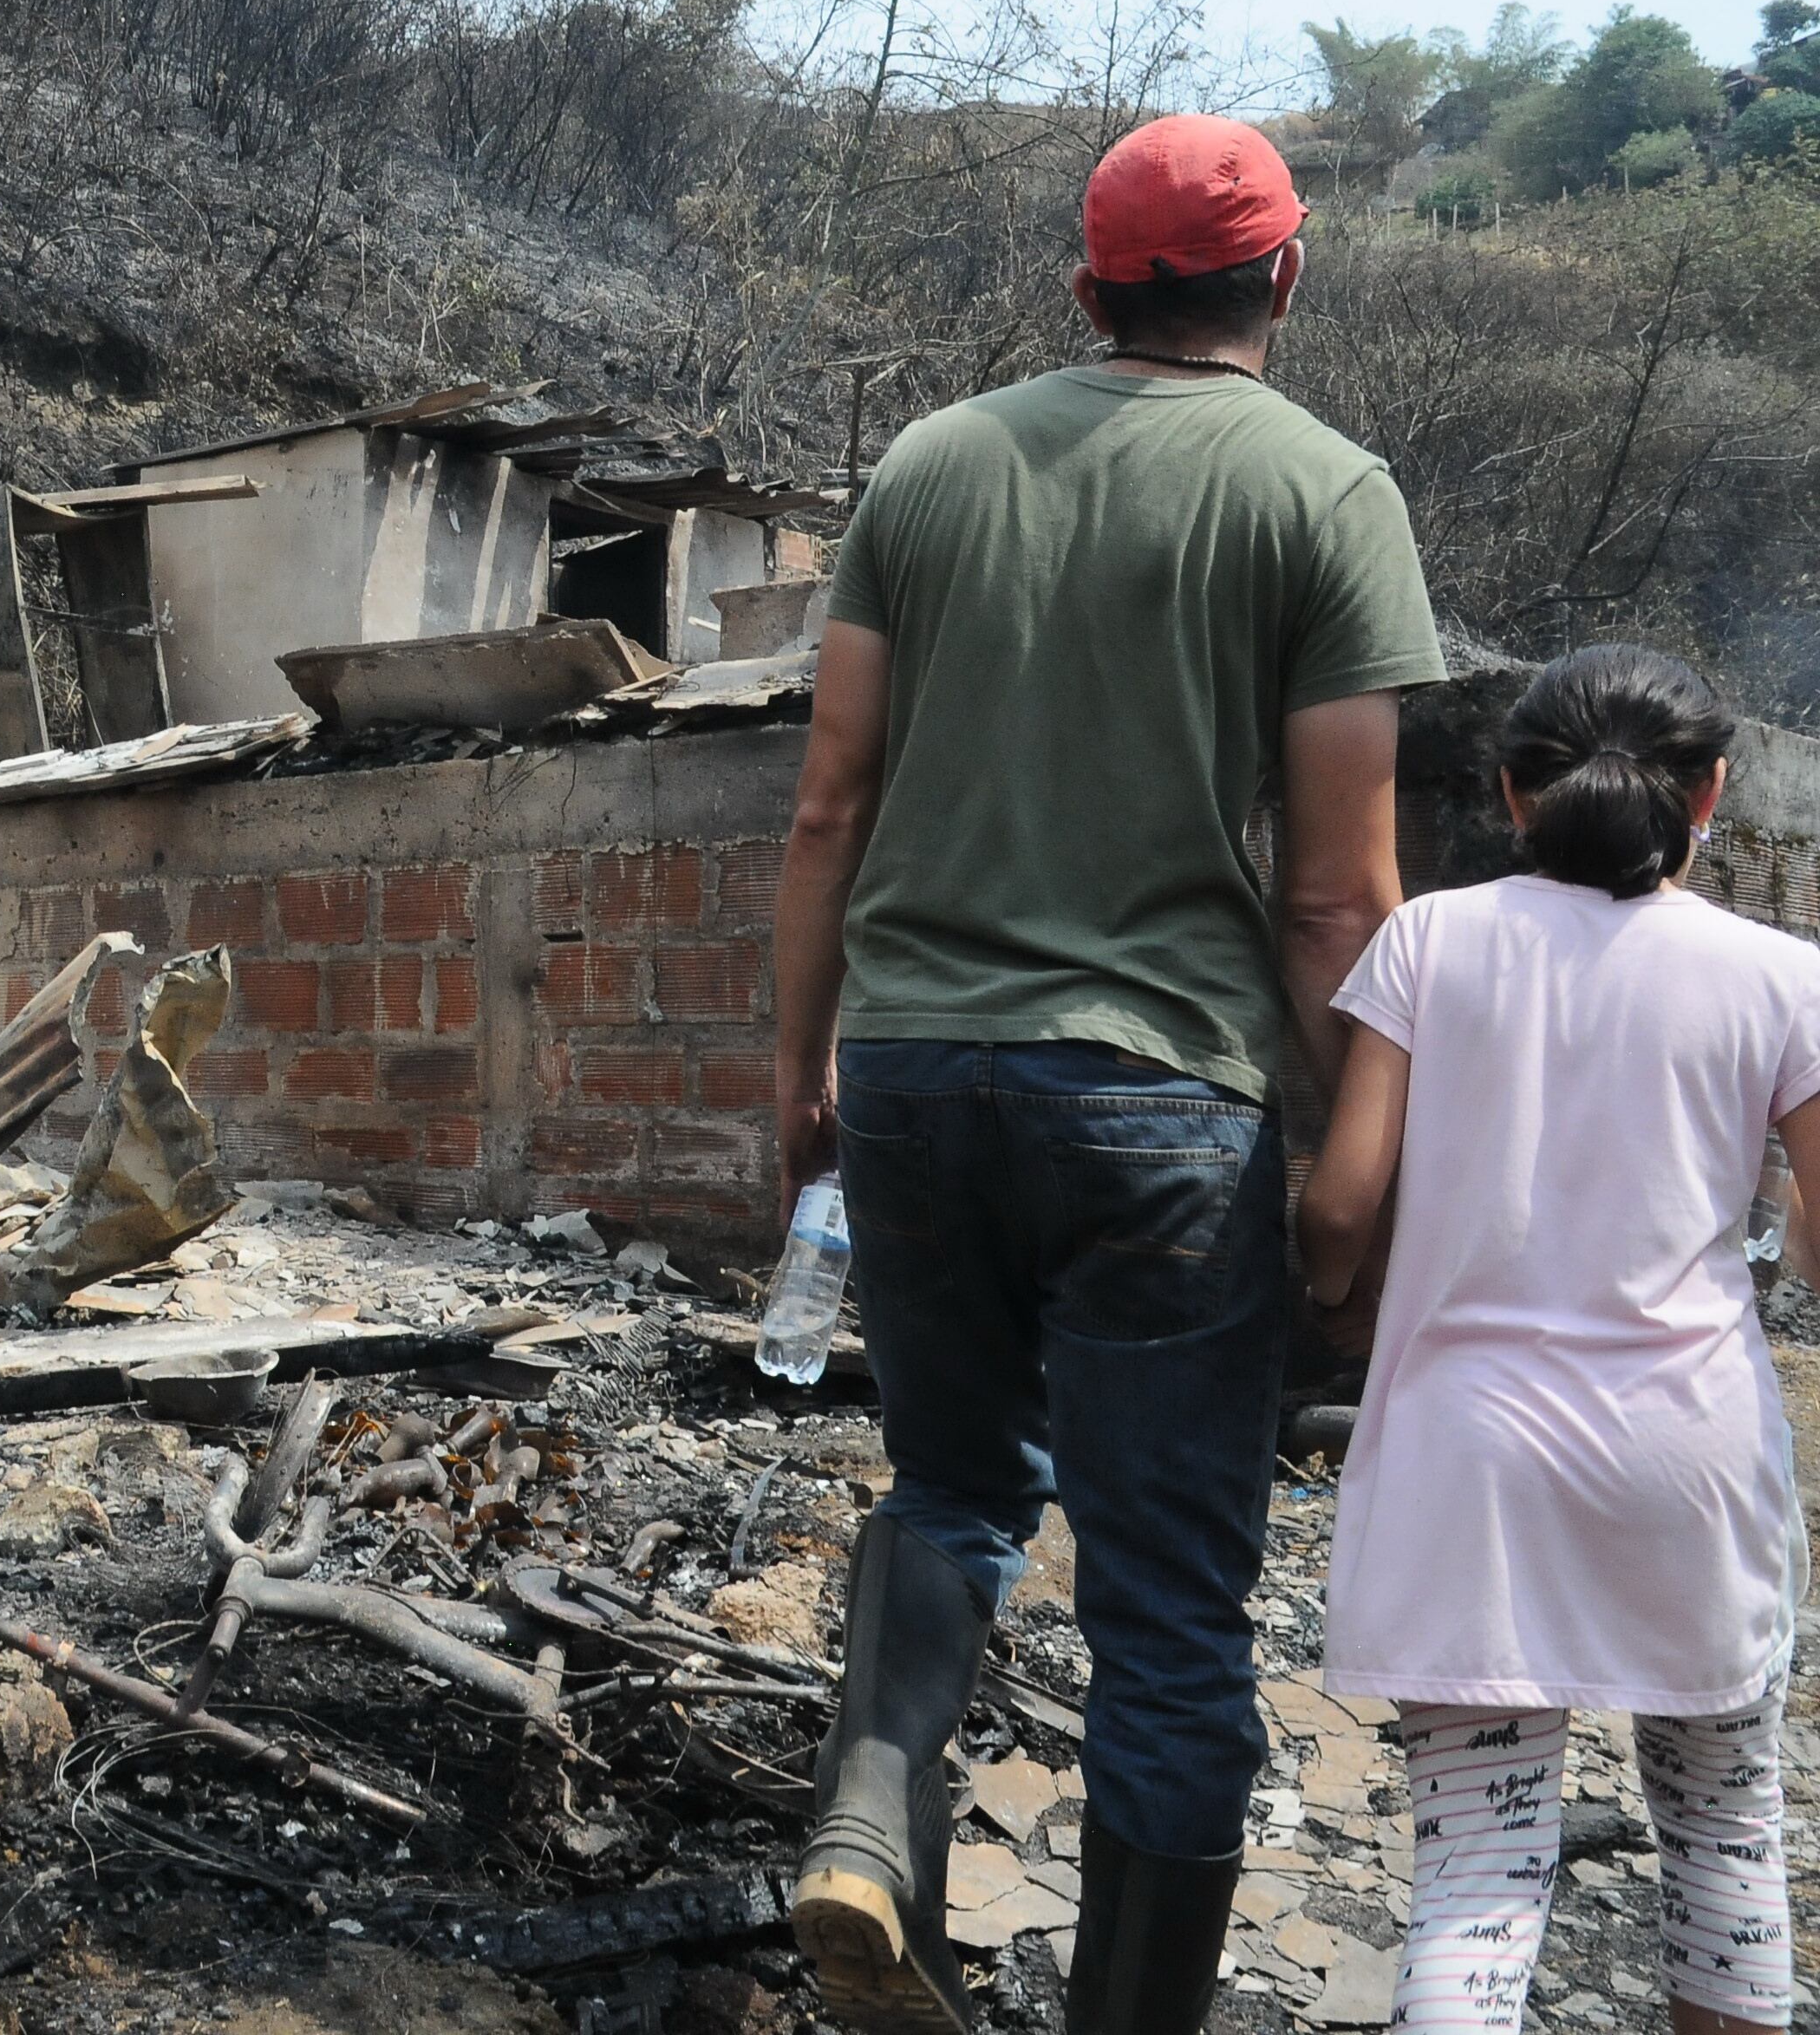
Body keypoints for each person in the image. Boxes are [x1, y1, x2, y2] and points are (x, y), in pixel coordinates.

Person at [770, 112, 1447, 2035]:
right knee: (1164, 1598)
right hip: (1161, 1097)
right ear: (1283, 279)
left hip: (908, 1066)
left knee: (953, 1479)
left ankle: (864, 1824)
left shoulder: (927, 464)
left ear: (1081, 286)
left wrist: (797, 1064)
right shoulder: (1323, 490)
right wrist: (1369, 1148)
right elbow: (1336, 896)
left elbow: (827, 805)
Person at [1301, 645, 1810, 2035]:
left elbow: (1342, 1202)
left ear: (1513, 796)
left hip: (1469, 1467)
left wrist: (1339, 1296)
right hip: (1688, 1462)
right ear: (1712, 792)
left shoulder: (1432, 939)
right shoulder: (1780, 974)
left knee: (1478, 1874)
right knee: (1726, 1845)